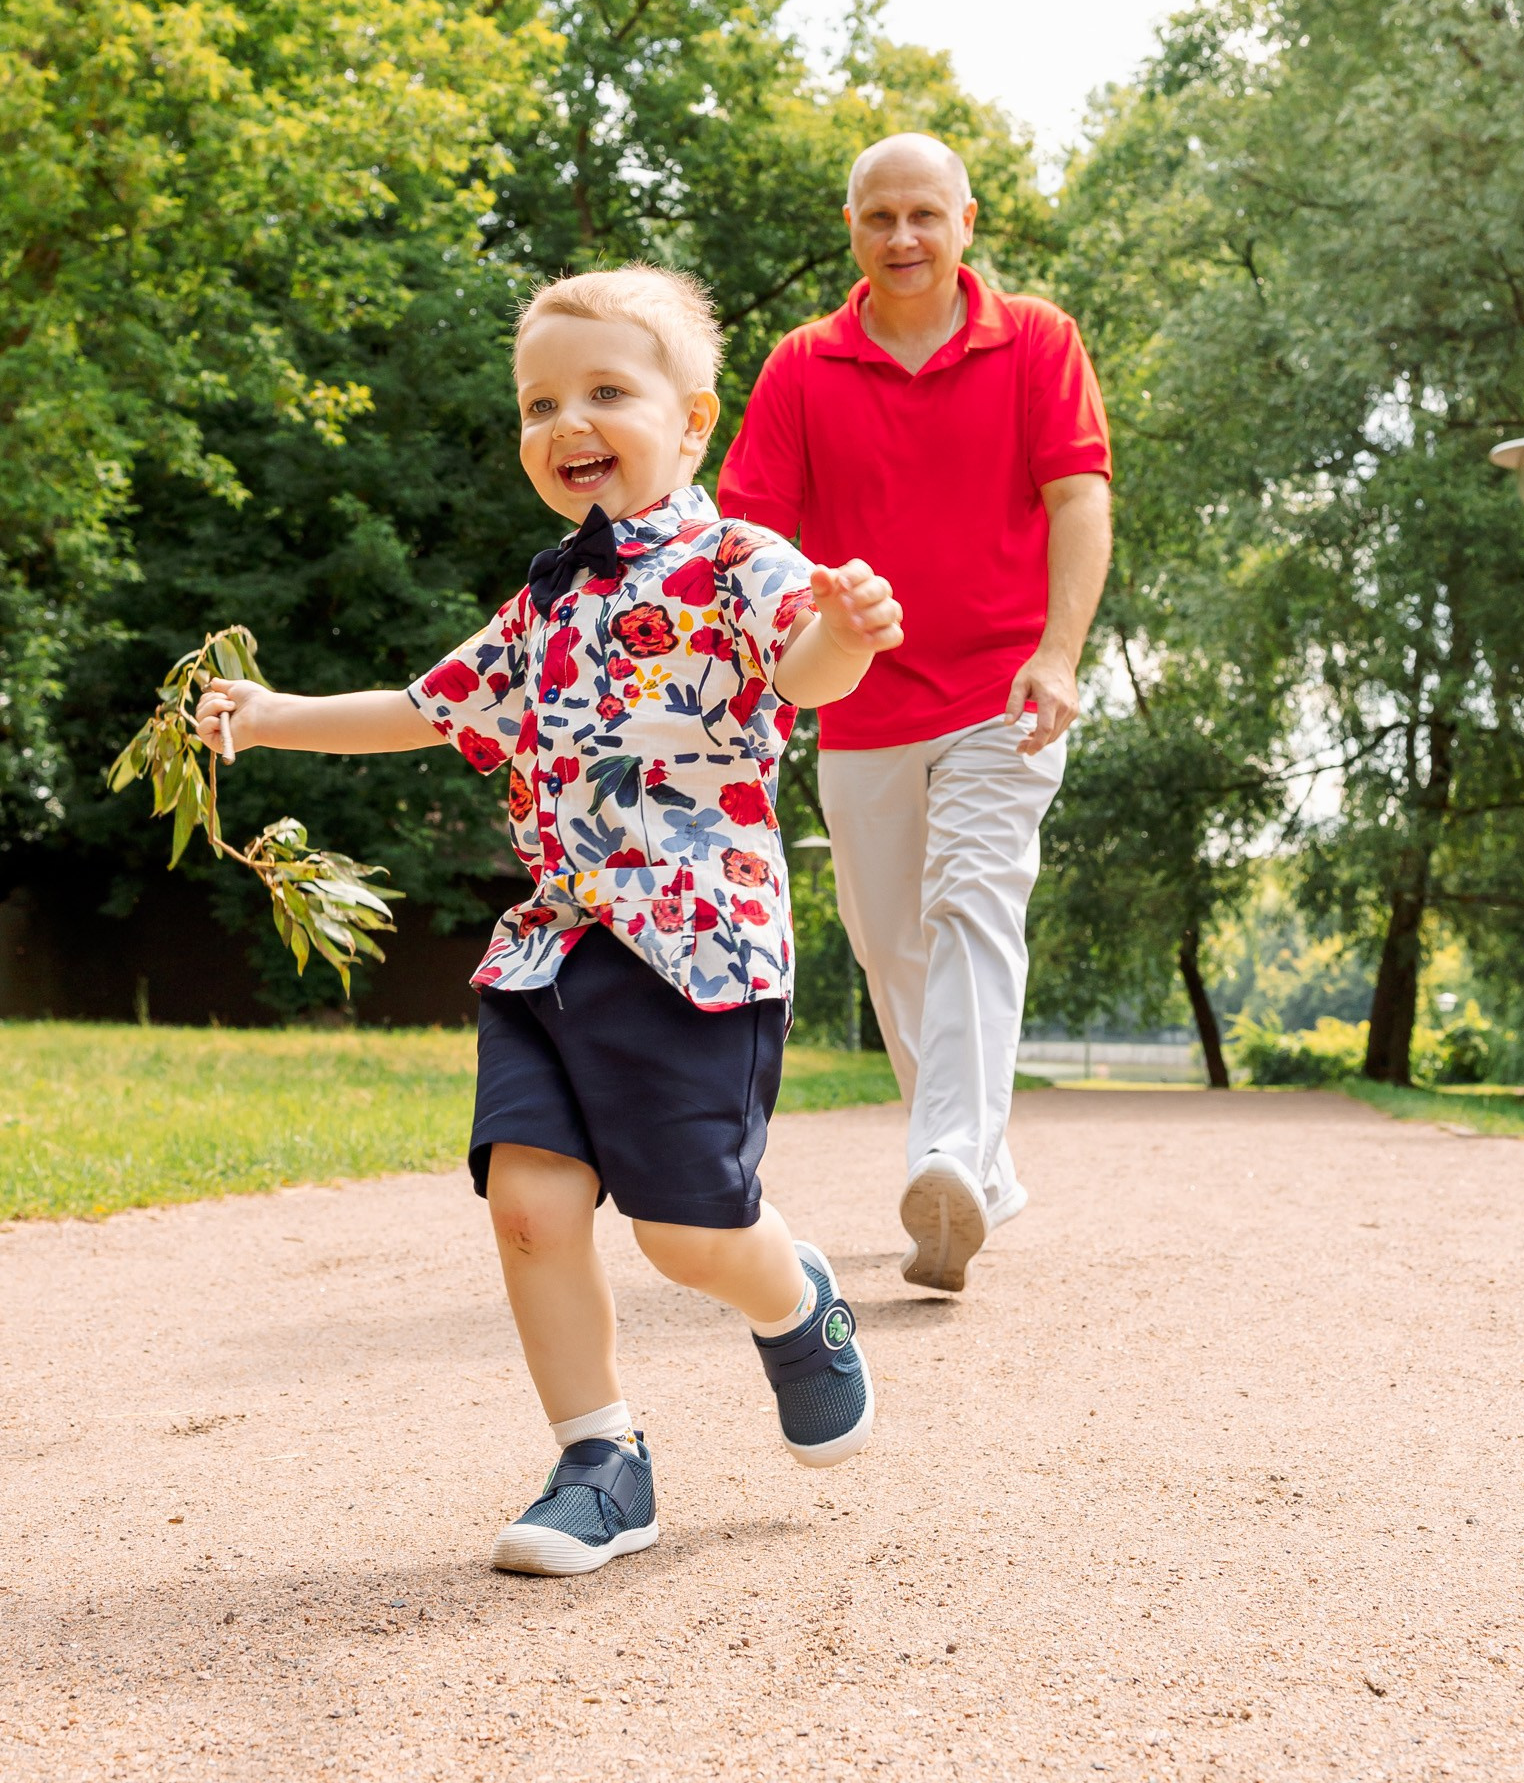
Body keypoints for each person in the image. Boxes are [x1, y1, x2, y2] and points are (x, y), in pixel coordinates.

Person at [195, 265, 903, 1577]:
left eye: (604, 393)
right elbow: (424, 705)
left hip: (697, 953)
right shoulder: (542, 604)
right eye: (538, 403)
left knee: (690, 1236)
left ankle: (794, 1302)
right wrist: (275, 711)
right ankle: (602, 1462)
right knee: (527, 1202)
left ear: (691, 424)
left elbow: (803, 668)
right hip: (550, 946)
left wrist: (850, 636)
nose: (565, 423)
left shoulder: (742, 563)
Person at [719, 134, 1112, 1295]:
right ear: (853, 230)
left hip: (1002, 693)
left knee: (974, 904)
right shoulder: (801, 365)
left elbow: (1079, 497)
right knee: (894, 946)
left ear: (965, 223)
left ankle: (943, 1154)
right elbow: (751, 539)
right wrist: (790, 639)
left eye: (924, 216)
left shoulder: (1036, 340)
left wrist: (1058, 653)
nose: (903, 238)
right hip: (862, 702)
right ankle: (976, 1176)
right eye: (880, 218)